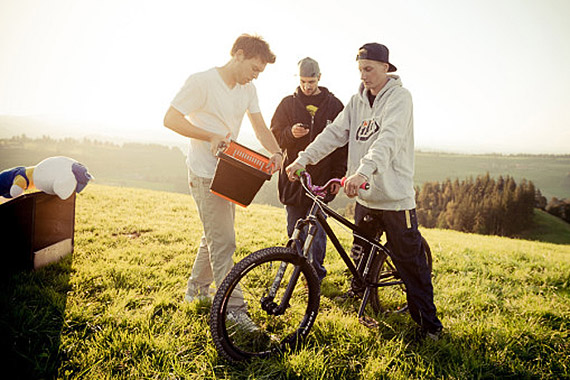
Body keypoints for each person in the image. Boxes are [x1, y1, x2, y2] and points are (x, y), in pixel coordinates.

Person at [286, 43, 443, 339]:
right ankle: (359, 295)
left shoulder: (399, 98)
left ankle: (430, 326)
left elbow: (388, 140)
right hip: (366, 199)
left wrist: (362, 172)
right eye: (360, 69)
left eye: (369, 69)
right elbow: (334, 133)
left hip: (395, 201)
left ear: (386, 67)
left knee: (410, 266)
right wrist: (303, 158)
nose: (364, 75)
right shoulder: (356, 102)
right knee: (360, 256)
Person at [163, 34, 282, 327]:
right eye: (255, 68)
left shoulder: (248, 89)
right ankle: (234, 309)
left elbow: (259, 126)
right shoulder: (201, 81)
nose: (256, 76)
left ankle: (196, 292)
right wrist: (210, 135)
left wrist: (277, 151)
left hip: (230, 172)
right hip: (204, 173)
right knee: (224, 241)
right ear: (238, 55)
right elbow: (170, 119)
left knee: (215, 234)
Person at [270, 57, 347, 281]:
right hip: (294, 180)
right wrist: (289, 134)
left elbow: (343, 146)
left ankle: (314, 277)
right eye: (303, 81)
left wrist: (337, 177)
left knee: (317, 233)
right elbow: (274, 137)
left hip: (322, 181)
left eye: (311, 81)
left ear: (319, 78)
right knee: (294, 229)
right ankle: (296, 274)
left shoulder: (335, 106)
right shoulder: (287, 104)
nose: (307, 86)